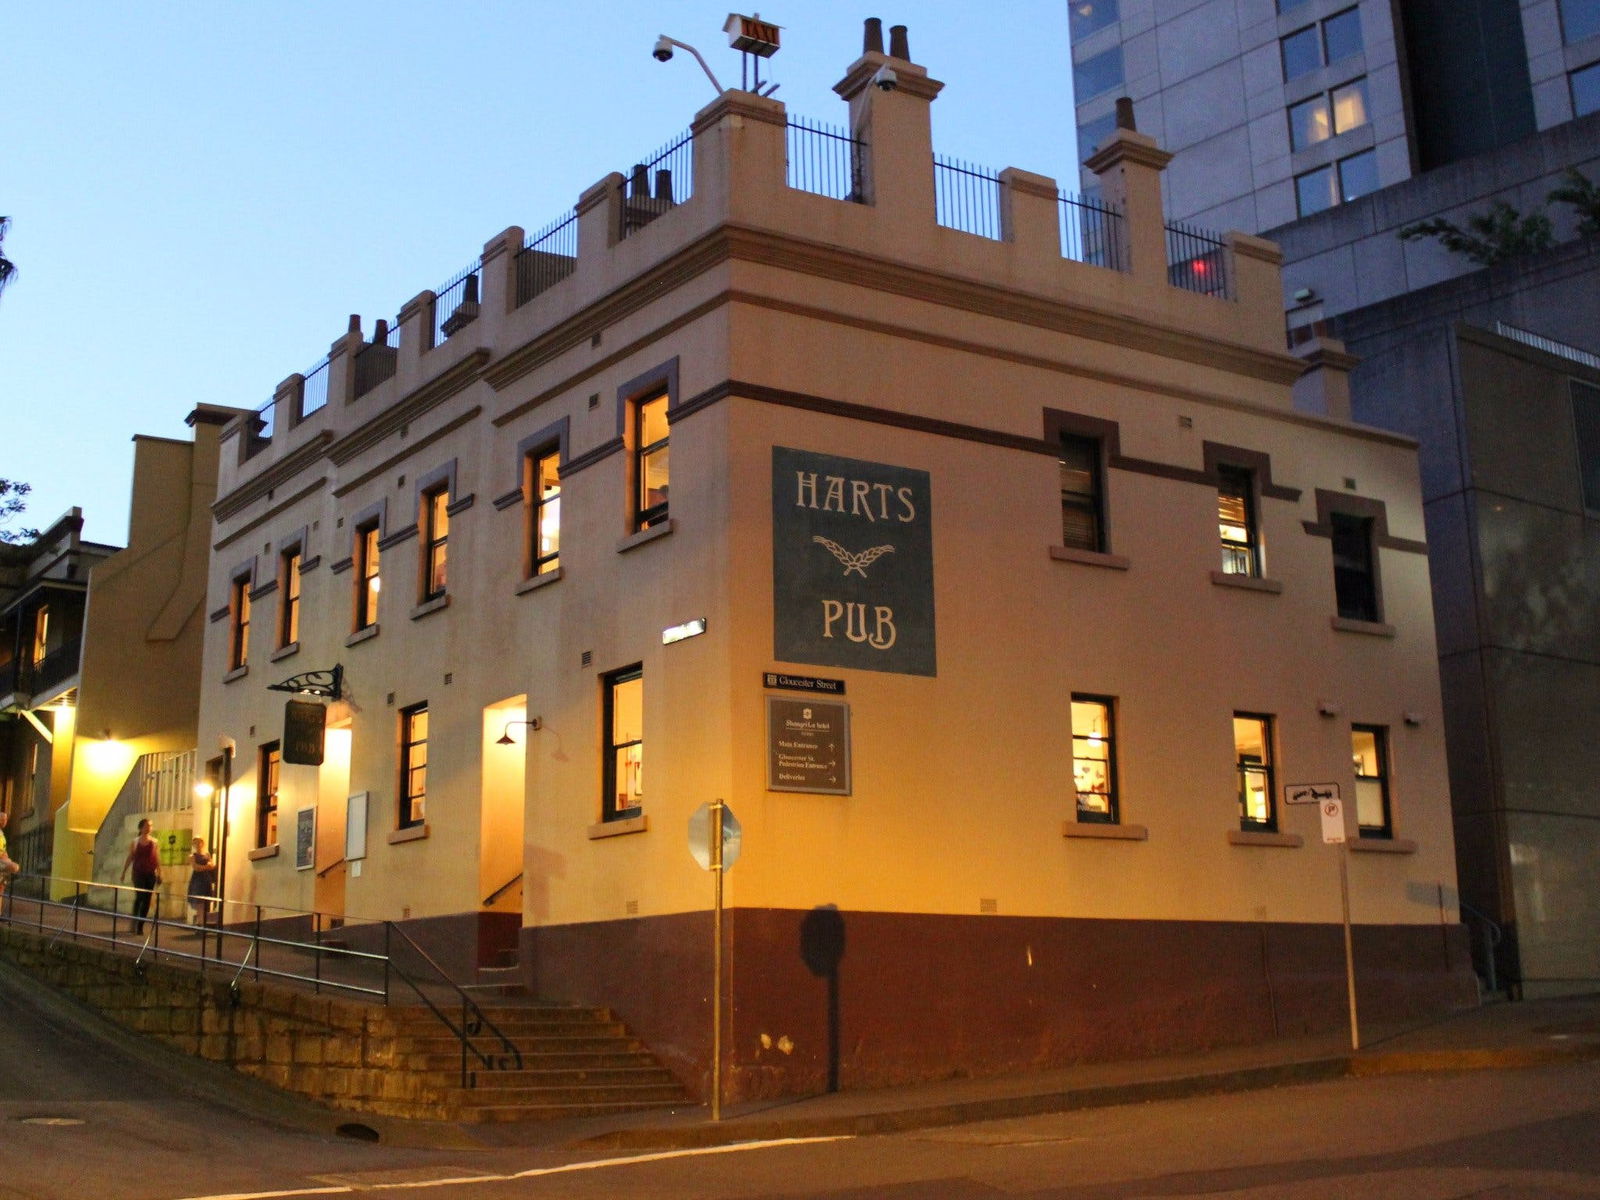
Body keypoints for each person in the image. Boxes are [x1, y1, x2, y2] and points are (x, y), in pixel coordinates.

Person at [120, 817, 161, 934]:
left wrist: (160, 872)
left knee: (147, 899)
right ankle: (134, 920)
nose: (149, 828)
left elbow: (156, 858)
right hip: (138, 873)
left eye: (150, 826)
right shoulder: (135, 841)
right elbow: (131, 856)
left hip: (150, 873)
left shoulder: (154, 842)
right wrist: (124, 871)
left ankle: (140, 925)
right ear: (141, 828)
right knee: (140, 896)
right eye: (146, 826)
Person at [186, 836, 216, 925]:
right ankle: (201, 923)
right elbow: (196, 868)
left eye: (199, 842)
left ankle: (201, 922)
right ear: (193, 845)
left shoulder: (207, 854)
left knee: (206, 902)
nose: (198, 844)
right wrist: (206, 867)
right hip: (197, 880)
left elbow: (213, 865)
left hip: (206, 880)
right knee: (199, 902)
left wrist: (205, 867)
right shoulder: (192, 856)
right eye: (195, 842)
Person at [0, 808, 19, 896]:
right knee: (14, 867)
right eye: (2, 819)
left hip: (2, 860)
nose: (4, 822)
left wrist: (6, 858)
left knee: (14, 866)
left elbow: (4, 850)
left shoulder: (2, 834)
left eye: (6, 820)